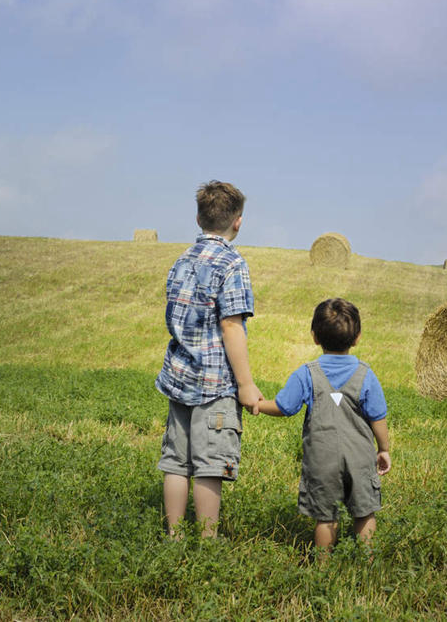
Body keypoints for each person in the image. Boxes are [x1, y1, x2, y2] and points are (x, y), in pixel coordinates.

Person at [155, 180, 262, 538]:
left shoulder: (182, 260)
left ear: (198, 218)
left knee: (175, 461)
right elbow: (231, 326)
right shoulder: (233, 264)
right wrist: (245, 385)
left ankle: (173, 535)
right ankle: (208, 543)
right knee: (210, 464)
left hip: (178, 376)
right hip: (215, 385)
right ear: (238, 222)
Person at [257, 297, 391, 551]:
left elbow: (284, 407)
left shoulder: (306, 373)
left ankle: (323, 566)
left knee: (325, 516)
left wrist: (258, 405)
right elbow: (378, 417)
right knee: (364, 512)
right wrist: (383, 449)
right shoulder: (366, 374)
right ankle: (367, 561)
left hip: (322, 458)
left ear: (315, 337)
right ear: (357, 337)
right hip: (360, 457)